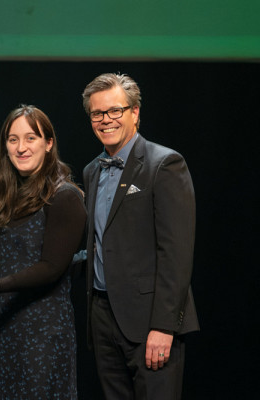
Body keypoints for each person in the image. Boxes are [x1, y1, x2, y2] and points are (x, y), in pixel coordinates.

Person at [81, 73, 199, 399]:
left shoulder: (164, 165)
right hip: (104, 318)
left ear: (134, 113)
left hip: (150, 323)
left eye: (115, 111)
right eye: (97, 113)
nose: (106, 120)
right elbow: (102, 244)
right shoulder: (93, 171)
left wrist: (164, 326)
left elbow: (176, 253)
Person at [0, 105, 86, 399]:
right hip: (2, 328)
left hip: (42, 333)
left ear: (48, 143)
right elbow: (7, 255)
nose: (21, 147)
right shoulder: (8, 196)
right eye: (13, 139)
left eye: (31, 138)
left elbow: (51, 266)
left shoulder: (64, 196)